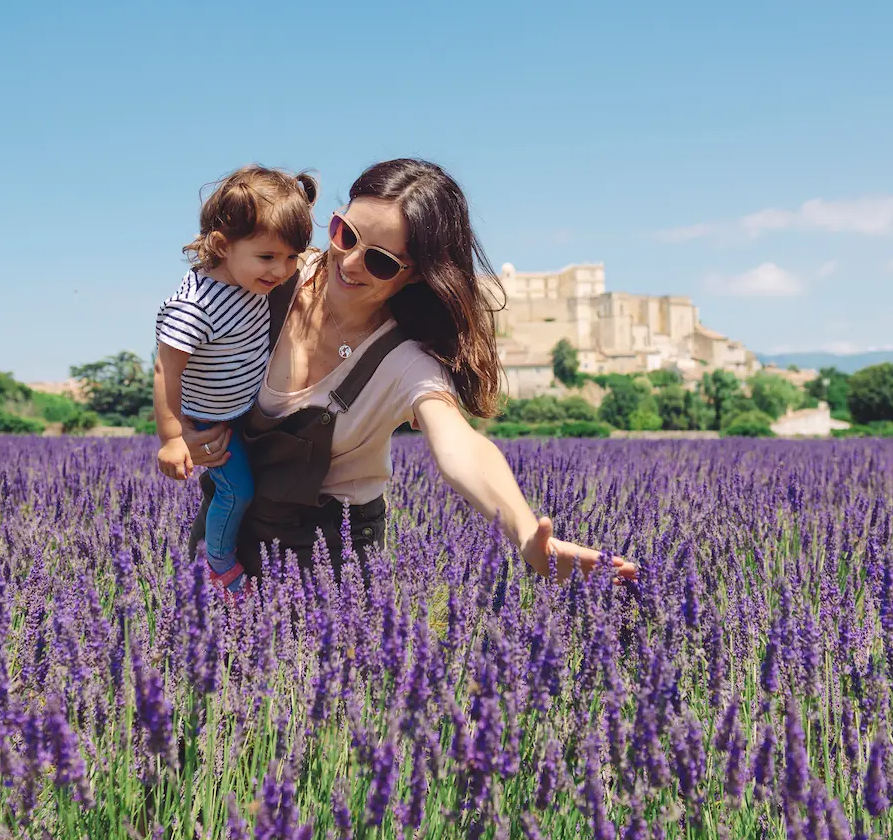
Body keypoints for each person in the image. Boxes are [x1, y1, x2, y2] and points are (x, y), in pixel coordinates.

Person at [172, 158, 635, 582]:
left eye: (380, 260)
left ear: (416, 274)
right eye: (345, 234)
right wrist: (182, 428)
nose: (350, 262)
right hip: (230, 530)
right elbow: (183, 339)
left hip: (330, 556)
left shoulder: (405, 359)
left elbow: (460, 447)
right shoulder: (272, 273)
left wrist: (526, 534)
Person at [153, 165, 317, 593]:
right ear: (223, 246)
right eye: (268, 257)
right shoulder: (194, 306)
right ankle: (217, 560)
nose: (280, 270)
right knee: (236, 492)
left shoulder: (250, 280)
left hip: (245, 406)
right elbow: (165, 370)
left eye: (290, 258)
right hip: (211, 421)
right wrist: (173, 438)